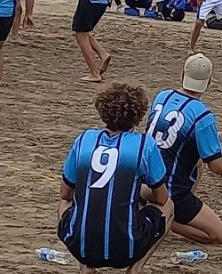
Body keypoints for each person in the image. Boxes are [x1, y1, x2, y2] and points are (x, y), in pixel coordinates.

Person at [58, 83, 173, 274]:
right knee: (168, 206)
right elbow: (162, 198)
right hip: (128, 250)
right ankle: (135, 269)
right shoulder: (144, 144)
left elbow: (65, 193)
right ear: (138, 116)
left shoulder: (84, 139)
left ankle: (85, 266)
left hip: (81, 247)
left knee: (65, 202)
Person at [145, 54, 222, 245]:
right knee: (218, 234)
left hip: (145, 179)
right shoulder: (203, 115)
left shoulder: (162, 97)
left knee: (198, 161)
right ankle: (165, 218)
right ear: (209, 82)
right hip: (169, 188)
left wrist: (219, 137)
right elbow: (217, 167)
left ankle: (156, 208)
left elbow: (171, 136)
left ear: (182, 74)